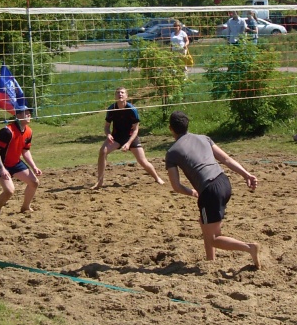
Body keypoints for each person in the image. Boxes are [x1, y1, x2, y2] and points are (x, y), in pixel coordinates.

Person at [164, 110, 261, 268]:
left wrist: (191, 192)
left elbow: (176, 186)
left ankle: (249, 248)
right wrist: (247, 175)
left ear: (171, 129)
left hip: (210, 191)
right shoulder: (204, 138)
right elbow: (226, 159)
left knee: (214, 238)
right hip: (224, 182)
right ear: (188, 125)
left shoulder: (172, 152)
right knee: (204, 221)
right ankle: (211, 261)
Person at [93, 87, 165, 188]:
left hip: (131, 137)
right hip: (116, 137)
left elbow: (136, 130)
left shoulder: (132, 109)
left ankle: (157, 178)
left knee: (142, 161)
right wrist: (108, 134)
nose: (120, 94)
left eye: (122, 93)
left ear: (126, 96)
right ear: (115, 96)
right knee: (102, 151)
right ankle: (100, 182)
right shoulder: (111, 108)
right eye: (118, 93)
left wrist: (128, 143)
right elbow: (106, 127)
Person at [0, 105, 42, 214]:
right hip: (0, 163)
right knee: (9, 191)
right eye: (25, 113)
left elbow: (25, 151)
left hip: (15, 162)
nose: (28, 115)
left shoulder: (29, 131)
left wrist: (34, 167)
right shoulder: (7, 131)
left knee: (34, 182)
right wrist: (2, 169)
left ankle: (25, 207)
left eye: (29, 112)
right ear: (18, 116)